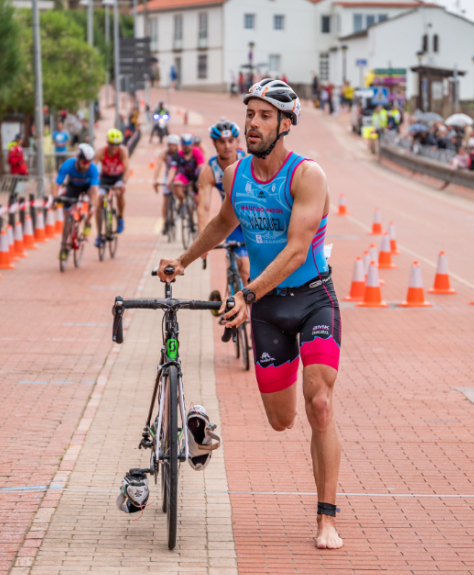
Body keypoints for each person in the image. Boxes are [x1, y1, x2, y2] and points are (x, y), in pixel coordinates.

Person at [156, 79, 344, 549]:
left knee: (319, 404)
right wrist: (184, 258)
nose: (252, 124)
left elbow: (298, 250)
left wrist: (249, 293)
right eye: (250, 115)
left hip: (313, 297)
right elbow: (223, 222)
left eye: (263, 116)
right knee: (282, 421)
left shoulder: (308, 176)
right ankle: (292, 412)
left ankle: (326, 517)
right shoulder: (237, 173)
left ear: (285, 123)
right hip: (268, 309)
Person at [197, 120, 248, 291]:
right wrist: (202, 243)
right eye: (221, 142)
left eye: (231, 141)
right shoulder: (209, 171)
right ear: (214, 143)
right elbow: (203, 209)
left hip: (253, 221)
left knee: (249, 272)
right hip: (232, 224)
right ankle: (232, 298)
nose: (227, 146)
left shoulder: (248, 162)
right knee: (238, 266)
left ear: (237, 142)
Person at [51, 143, 100, 258]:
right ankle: (63, 247)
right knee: (67, 217)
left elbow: (94, 190)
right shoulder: (68, 165)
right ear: (78, 158)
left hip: (86, 187)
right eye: (84, 162)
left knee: (92, 207)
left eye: (88, 162)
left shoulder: (93, 169)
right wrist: (54, 199)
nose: (86, 165)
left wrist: (92, 205)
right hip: (72, 187)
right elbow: (56, 184)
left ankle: (87, 222)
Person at [95, 128, 130, 241]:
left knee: (119, 193)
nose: (114, 147)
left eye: (117, 144)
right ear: (107, 143)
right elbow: (93, 167)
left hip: (118, 177)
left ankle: (120, 217)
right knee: (99, 201)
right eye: (112, 144)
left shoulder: (122, 152)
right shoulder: (101, 152)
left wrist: (124, 182)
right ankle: (99, 234)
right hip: (105, 177)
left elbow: (126, 169)